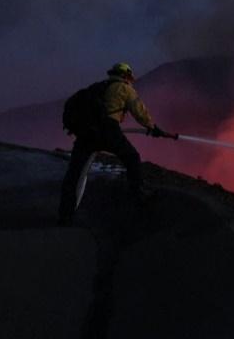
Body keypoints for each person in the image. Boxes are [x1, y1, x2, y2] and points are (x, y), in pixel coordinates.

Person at [58, 63, 167, 226]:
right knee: (132, 157)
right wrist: (153, 128)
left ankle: (65, 215)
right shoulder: (124, 88)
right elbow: (139, 111)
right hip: (108, 131)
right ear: (126, 76)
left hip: (86, 134)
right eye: (129, 78)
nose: (130, 81)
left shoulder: (99, 87)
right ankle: (140, 197)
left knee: (75, 173)